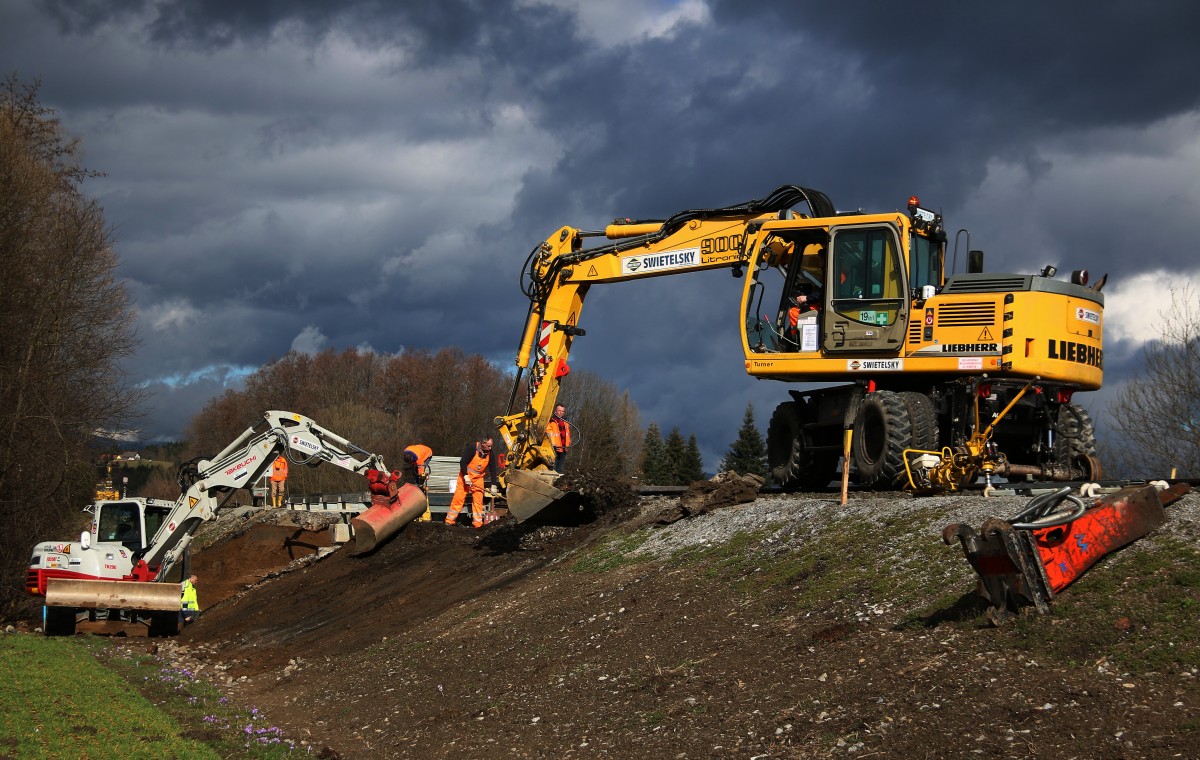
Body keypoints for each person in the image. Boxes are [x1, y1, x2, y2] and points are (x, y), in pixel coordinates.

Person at [444, 436, 499, 529]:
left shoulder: (491, 453)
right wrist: (466, 476)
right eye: (488, 446)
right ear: (483, 444)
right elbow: (463, 462)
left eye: (491, 446)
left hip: (478, 478)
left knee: (478, 501)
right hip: (465, 477)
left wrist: (494, 485)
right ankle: (449, 521)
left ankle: (477, 524)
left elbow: (493, 470)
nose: (490, 448)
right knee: (458, 498)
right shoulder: (472, 448)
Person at [547, 405, 572, 472]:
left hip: (564, 448)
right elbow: (549, 434)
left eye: (562, 411)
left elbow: (568, 434)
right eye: (559, 410)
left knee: (559, 469)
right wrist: (553, 444)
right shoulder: (551, 422)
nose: (561, 412)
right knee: (551, 468)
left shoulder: (566, 422)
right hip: (554, 448)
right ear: (555, 411)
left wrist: (568, 443)